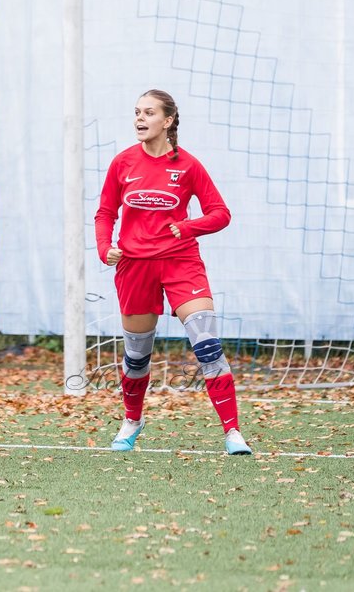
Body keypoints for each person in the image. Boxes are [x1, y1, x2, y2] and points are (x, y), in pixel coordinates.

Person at [94, 89, 252, 455]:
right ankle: (132, 421)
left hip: (181, 262)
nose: (140, 119)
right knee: (137, 358)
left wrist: (189, 226)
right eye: (136, 112)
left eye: (149, 113)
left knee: (208, 346)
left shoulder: (189, 166)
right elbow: (105, 214)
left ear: (167, 121)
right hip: (134, 267)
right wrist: (106, 249)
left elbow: (220, 213)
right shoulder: (122, 163)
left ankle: (232, 432)